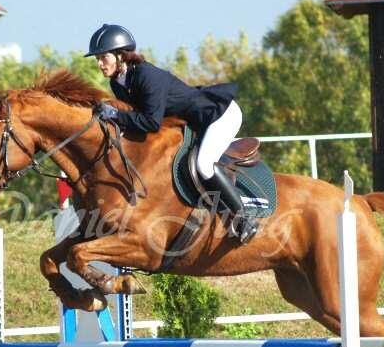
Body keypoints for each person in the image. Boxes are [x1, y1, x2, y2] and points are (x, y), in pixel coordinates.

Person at [85, 23, 258, 243]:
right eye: (97, 59)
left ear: (120, 55)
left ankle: (244, 219)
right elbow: (135, 117)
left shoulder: (146, 75)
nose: (99, 64)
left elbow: (150, 122)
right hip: (193, 122)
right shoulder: (118, 82)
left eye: (103, 57)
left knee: (203, 165)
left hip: (219, 115)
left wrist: (115, 114)